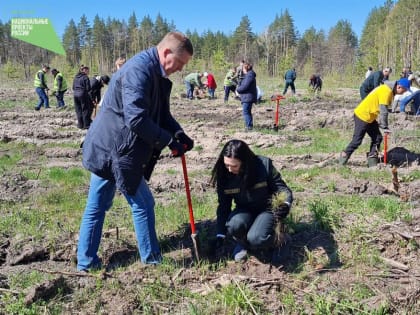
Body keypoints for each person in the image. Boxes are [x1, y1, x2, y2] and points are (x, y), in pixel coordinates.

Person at [76, 31, 194, 272]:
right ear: (167, 52)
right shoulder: (138, 70)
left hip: (115, 147)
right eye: (180, 63)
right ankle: (151, 262)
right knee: (142, 203)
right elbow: (137, 119)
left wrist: (178, 133)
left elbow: (160, 114)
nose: (180, 69)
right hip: (114, 150)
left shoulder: (157, 73)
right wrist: (168, 141)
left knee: (97, 204)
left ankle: (86, 263)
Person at [209, 139, 293, 262]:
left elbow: (283, 189)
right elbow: (224, 206)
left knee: (257, 238)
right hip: (244, 209)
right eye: (226, 165)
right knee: (233, 225)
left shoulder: (264, 165)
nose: (229, 169)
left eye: (234, 166)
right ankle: (244, 243)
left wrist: (285, 204)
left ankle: (281, 240)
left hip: (267, 209)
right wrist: (220, 234)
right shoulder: (224, 175)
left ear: (245, 161)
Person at [339, 78, 411, 166]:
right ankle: (343, 158)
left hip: (370, 117)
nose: (404, 93)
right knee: (357, 141)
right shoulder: (386, 91)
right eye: (404, 91)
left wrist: (382, 125)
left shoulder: (387, 89)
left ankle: (372, 161)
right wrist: (384, 127)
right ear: (399, 87)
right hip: (363, 116)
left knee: (377, 138)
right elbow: (383, 110)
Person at [236, 61, 257, 131]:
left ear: (246, 68)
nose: (242, 70)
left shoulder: (249, 75)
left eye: (243, 69)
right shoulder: (249, 75)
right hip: (248, 97)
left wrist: (238, 89)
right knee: (248, 112)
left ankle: (248, 127)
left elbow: (245, 86)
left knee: (246, 112)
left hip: (248, 97)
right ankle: (249, 126)